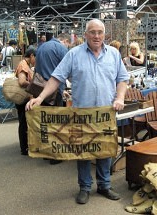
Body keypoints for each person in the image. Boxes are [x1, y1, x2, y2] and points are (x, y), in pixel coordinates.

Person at [25, 19, 129, 204]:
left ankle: (105, 185)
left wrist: (120, 98)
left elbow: (122, 79)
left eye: (99, 32)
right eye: (92, 32)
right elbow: (56, 78)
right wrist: (40, 98)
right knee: (82, 151)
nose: (96, 36)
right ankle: (85, 187)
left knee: (105, 149)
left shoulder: (113, 54)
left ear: (104, 34)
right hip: (81, 114)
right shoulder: (73, 54)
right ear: (86, 34)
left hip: (105, 113)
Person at [35, 32, 72, 165]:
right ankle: (55, 156)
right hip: (54, 90)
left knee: (45, 123)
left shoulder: (41, 47)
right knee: (57, 123)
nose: (68, 47)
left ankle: (46, 152)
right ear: (65, 41)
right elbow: (67, 69)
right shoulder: (60, 48)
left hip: (41, 89)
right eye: (68, 44)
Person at [15, 46, 36, 155]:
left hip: (26, 98)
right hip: (23, 99)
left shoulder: (26, 65)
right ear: (32, 55)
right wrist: (34, 85)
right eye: (35, 58)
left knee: (24, 122)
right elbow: (22, 81)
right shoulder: (23, 65)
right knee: (23, 122)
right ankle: (24, 148)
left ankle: (26, 146)